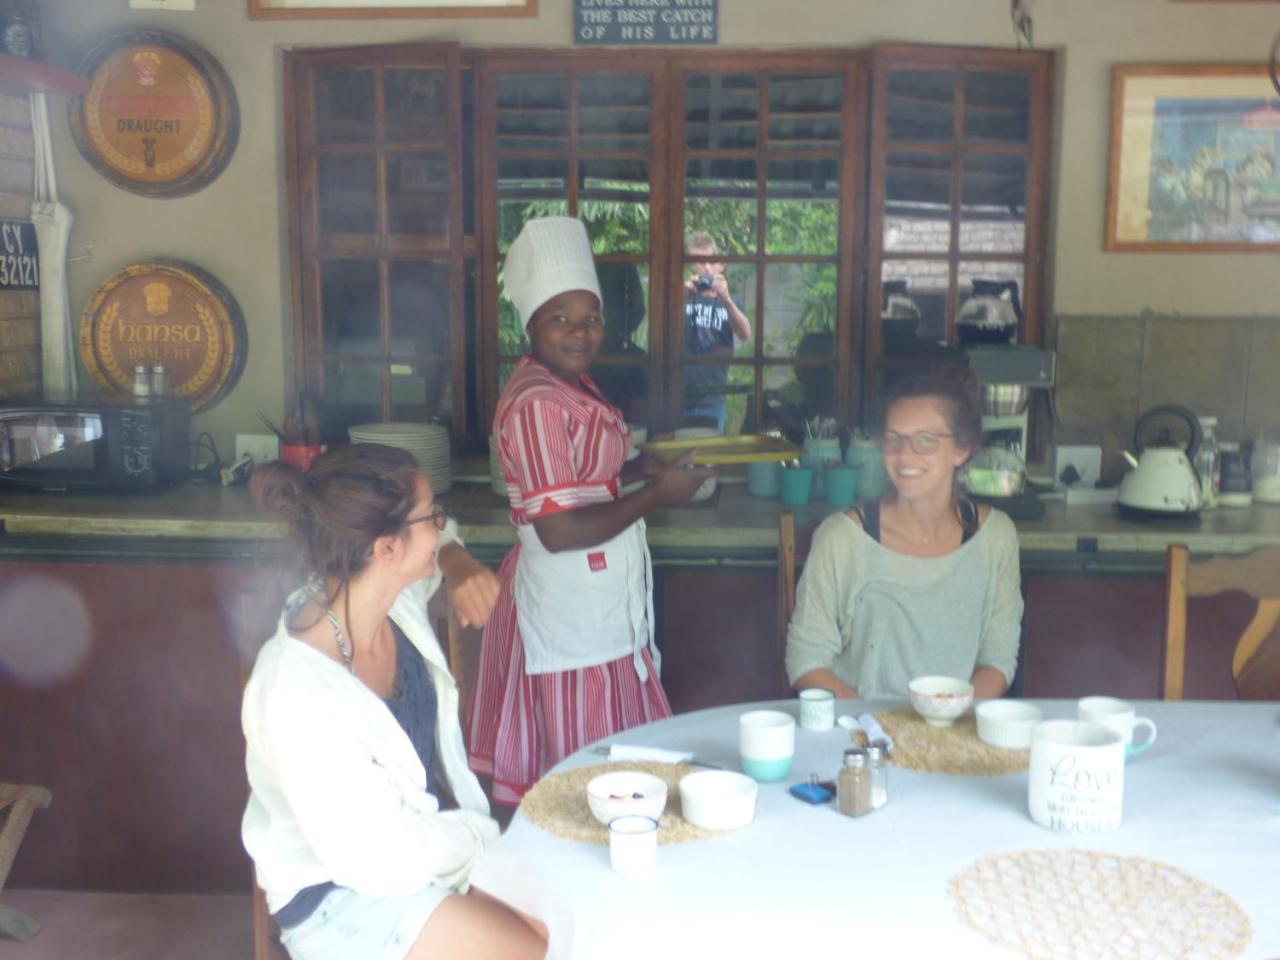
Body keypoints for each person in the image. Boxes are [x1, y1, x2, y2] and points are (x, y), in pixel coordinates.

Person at [242, 444, 546, 960]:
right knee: (537, 951)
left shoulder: (389, 600)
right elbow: (375, 859)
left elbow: (444, 539)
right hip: (342, 898)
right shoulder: (297, 692)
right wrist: (478, 836)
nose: (442, 525)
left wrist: (454, 560)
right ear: (385, 548)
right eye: (432, 516)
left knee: (559, 920)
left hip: (425, 850)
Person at [468, 216, 714, 806]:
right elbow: (557, 528)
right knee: (586, 786)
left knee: (612, 774)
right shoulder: (535, 405)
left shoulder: (570, 385)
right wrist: (659, 496)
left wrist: (640, 471)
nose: (580, 333)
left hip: (600, 608)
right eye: (560, 319)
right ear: (530, 324)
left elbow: (577, 482)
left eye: (590, 318)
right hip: (568, 617)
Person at [785, 366, 1023, 700]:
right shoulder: (841, 538)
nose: (904, 454)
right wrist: (879, 726)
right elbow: (806, 661)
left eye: (925, 440)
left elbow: (997, 659)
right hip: (862, 739)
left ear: (962, 449)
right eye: (893, 439)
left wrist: (946, 718)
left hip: (954, 733)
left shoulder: (996, 537)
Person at [682, 231, 751, 432]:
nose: (705, 268)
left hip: (714, 395)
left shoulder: (730, 301)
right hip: (679, 396)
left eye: (709, 261)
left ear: (720, 264)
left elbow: (745, 334)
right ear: (690, 265)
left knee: (709, 458)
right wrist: (682, 296)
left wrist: (726, 299)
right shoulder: (681, 296)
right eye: (698, 262)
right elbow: (661, 328)